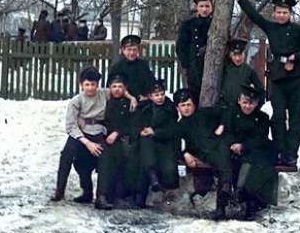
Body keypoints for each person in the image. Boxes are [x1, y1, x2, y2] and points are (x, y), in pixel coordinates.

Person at [235, 0, 300, 166]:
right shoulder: (271, 27)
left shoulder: (298, 30)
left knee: (296, 119)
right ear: (274, 13)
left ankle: (292, 153)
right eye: (278, 12)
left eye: (285, 12)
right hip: (278, 78)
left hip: (297, 78)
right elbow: (253, 15)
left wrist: (296, 57)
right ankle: (280, 151)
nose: (281, 15)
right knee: (278, 117)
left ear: (290, 13)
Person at [51, 67, 114, 203]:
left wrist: (131, 97)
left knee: (105, 155)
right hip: (81, 133)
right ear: (81, 85)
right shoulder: (76, 101)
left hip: (98, 131)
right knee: (67, 153)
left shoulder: (103, 94)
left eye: (93, 84)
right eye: (87, 84)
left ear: (98, 84)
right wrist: (86, 142)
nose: (90, 88)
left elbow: (119, 90)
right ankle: (60, 190)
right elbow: (70, 126)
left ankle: (101, 196)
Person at [173, 88, 235, 221]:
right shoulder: (180, 126)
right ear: (178, 108)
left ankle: (223, 198)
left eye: (189, 104)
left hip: (220, 144)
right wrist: (185, 154)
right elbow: (175, 147)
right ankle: (224, 194)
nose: (186, 108)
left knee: (224, 154)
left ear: (194, 105)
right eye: (182, 106)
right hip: (204, 154)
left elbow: (228, 111)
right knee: (223, 164)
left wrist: (222, 125)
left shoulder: (205, 113)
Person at [222, 83, 277, 219]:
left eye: (251, 103)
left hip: (255, 150)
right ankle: (240, 196)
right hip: (234, 150)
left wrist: (243, 146)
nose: (247, 106)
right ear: (239, 101)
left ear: (256, 103)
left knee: (254, 164)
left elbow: (261, 139)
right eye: (245, 102)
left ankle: (250, 201)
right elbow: (227, 133)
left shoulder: (262, 117)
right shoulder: (232, 113)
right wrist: (233, 144)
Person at [132, 79, 179, 208]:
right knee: (145, 151)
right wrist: (141, 131)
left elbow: (172, 129)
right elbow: (135, 124)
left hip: (165, 143)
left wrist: (154, 131)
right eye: (156, 95)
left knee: (161, 167)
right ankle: (149, 183)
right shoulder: (144, 108)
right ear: (150, 96)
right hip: (148, 144)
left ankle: (153, 182)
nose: (160, 98)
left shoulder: (169, 108)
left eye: (162, 94)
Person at [95, 73, 136, 210]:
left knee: (118, 155)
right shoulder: (104, 101)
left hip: (121, 138)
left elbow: (132, 124)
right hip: (102, 136)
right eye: (114, 86)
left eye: (120, 86)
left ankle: (114, 194)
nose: (117, 89)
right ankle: (101, 196)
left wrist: (117, 133)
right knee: (105, 156)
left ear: (125, 88)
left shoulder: (129, 103)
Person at [176, 0, 214, 104]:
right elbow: (181, 47)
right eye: (201, 6)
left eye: (207, 6)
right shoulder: (188, 25)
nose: (204, 9)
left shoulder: (216, 25)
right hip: (194, 69)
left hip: (212, 67)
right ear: (196, 7)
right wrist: (188, 64)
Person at [108, 35, 157, 100]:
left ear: (138, 51)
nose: (132, 53)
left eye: (134, 50)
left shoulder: (144, 66)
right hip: (122, 101)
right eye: (129, 50)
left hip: (143, 101)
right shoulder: (116, 68)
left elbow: (151, 83)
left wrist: (147, 96)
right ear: (123, 50)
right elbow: (112, 88)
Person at [220, 38, 265, 109]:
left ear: (244, 54)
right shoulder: (223, 67)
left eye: (240, 54)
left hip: (242, 110)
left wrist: (254, 107)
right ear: (230, 54)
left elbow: (261, 91)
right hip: (226, 108)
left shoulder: (249, 70)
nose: (238, 58)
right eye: (235, 55)